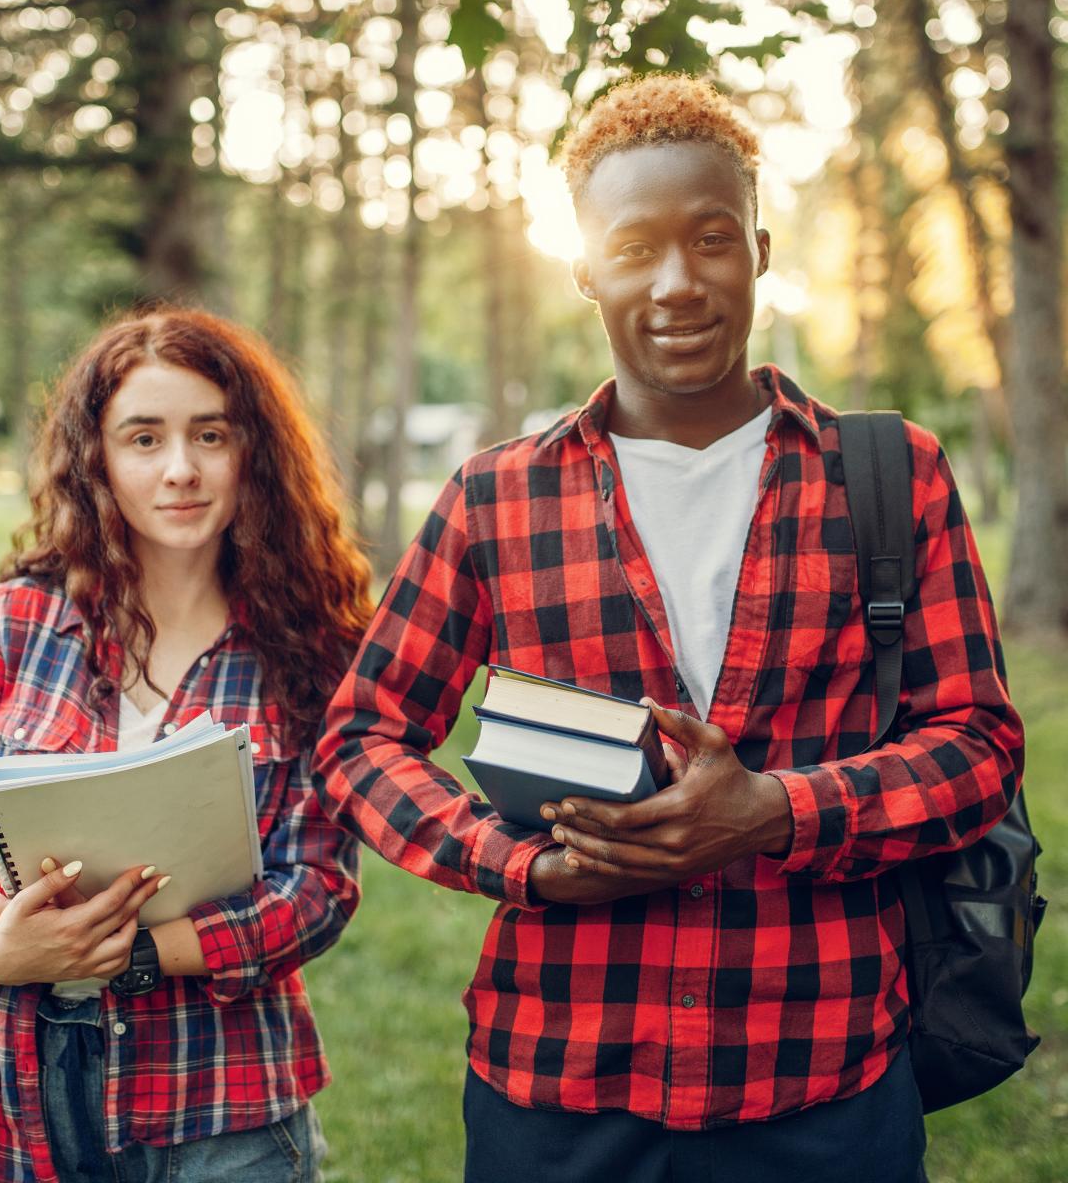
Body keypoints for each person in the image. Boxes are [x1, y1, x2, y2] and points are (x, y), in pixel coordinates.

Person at [312, 74, 1023, 1182]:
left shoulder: (890, 476)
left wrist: (774, 813)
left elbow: (978, 745)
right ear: (585, 270)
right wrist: (520, 866)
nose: (679, 283)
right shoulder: (494, 500)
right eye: (636, 247)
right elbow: (360, 741)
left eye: (711, 239)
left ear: (761, 250)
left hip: (823, 1075)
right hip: (558, 1085)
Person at [0, 308, 373, 1183]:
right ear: (100, 460)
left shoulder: (311, 647)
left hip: (224, 1102)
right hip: (23, 1089)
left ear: (254, 454)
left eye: (211, 434)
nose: (182, 470)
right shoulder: (19, 622)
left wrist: (131, 952)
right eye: (144, 438)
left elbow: (318, 889)